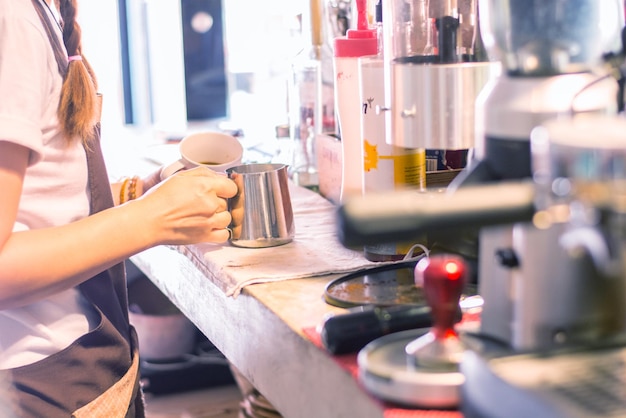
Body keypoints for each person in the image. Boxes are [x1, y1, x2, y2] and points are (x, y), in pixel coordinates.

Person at [0, 0, 238, 416]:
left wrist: (136, 192)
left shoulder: (36, 14)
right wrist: (151, 218)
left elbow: (34, 202)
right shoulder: (13, 20)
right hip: (39, 388)